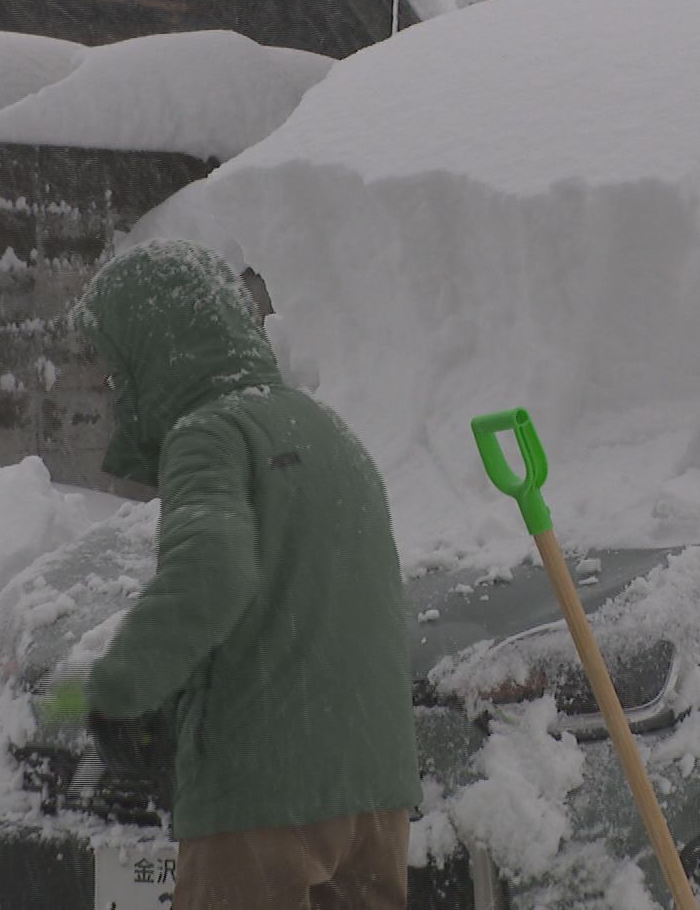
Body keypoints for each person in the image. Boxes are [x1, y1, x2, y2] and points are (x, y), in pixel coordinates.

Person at [60, 238, 421, 909]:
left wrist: (124, 688)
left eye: (119, 369)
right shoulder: (330, 430)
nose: (115, 389)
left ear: (158, 351)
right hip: (375, 791)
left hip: (263, 793)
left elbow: (213, 570)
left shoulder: (210, 434)